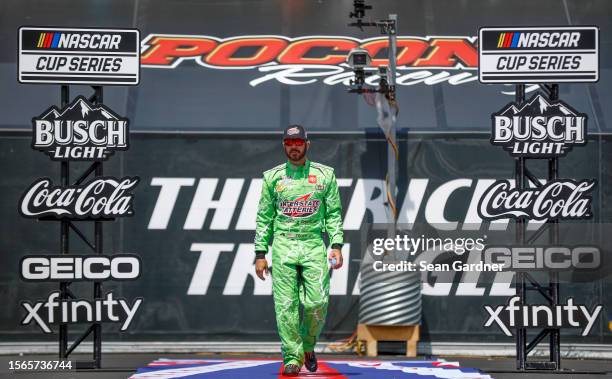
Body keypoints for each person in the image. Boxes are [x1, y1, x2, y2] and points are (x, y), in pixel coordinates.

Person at [254, 124, 344, 376]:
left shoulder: (325, 175)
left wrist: (336, 244)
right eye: (289, 143)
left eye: (298, 143)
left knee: (317, 302)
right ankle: (292, 357)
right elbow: (264, 218)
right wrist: (260, 254)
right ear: (284, 145)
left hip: (313, 243)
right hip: (284, 244)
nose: (294, 148)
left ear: (307, 144)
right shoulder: (272, 177)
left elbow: (334, 213)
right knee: (286, 305)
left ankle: (307, 345)